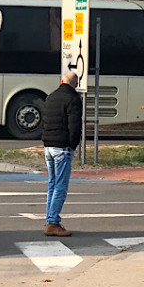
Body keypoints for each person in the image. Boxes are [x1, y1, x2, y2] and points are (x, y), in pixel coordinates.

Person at [41, 71, 82, 237]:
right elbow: (75, 125)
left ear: (61, 81)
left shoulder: (51, 97)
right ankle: (52, 222)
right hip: (62, 147)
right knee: (60, 186)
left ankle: (50, 219)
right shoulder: (73, 99)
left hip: (48, 146)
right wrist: (72, 145)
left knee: (52, 184)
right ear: (76, 84)